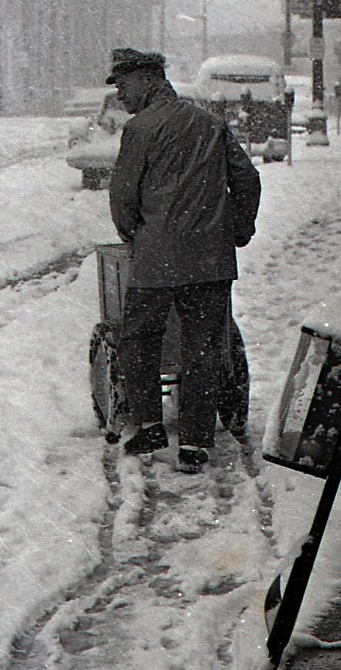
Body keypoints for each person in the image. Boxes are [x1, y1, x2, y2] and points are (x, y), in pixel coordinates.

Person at [106, 46, 261, 473]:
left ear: (148, 79)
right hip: (211, 259)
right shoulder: (210, 123)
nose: (120, 93)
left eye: (123, 83)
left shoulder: (140, 130)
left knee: (138, 339)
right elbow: (247, 178)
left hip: (157, 258)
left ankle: (151, 424)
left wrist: (133, 233)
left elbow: (123, 195)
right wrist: (239, 229)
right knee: (204, 347)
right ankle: (195, 442)